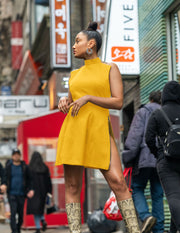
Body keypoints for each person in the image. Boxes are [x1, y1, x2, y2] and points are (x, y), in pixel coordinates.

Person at [56, 21, 140, 233]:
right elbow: (72, 101)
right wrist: (64, 103)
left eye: (78, 41)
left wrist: (89, 98)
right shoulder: (74, 75)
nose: (74, 46)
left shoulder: (110, 68)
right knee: (73, 187)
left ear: (91, 44)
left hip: (100, 130)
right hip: (74, 130)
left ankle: (134, 230)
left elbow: (118, 101)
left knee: (118, 182)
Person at [122, 91, 164, 233]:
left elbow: (135, 138)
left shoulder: (143, 112)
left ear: (150, 99)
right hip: (161, 160)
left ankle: (146, 217)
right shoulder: (165, 113)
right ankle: (158, 230)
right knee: (157, 193)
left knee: (137, 187)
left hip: (144, 159)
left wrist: (127, 158)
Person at [145, 81, 180, 232]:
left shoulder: (158, 113)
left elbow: (148, 138)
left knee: (173, 196)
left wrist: (158, 154)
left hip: (166, 162)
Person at [4, 148, 34, 233]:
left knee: (20, 214)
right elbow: (5, 179)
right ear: (12, 156)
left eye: (17, 154)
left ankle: (17, 228)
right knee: (12, 213)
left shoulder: (25, 167)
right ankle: (14, 231)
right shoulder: (8, 167)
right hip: (11, 194)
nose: (16, 156)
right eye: (14, 154)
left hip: (21, 194)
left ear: (20, 156)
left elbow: (30, 179)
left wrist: (31, 189)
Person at [27, 151, 52, 233]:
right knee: (40, 209)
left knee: (35, 210)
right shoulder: (45, 167)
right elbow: (49, 181)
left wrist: (27, 190)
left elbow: (27, 180)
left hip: (33, 191)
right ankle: (42, 220)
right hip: (43, 192)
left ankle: (38, 228)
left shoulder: (30, 168)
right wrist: (49, 192)